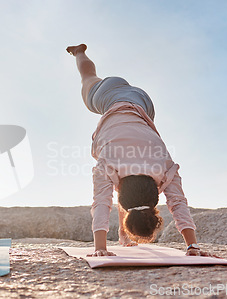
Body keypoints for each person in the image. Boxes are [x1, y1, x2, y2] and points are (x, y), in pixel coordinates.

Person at [66, 43, 214, 257]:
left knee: (127, 180)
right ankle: (79, 52)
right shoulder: (109, 165)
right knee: (88, 77)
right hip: (109, 98)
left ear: (155, 209)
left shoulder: (164, 169)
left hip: (144, 104)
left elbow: (178, 202)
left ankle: (124, 237)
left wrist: (193, 246)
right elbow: (102, 201)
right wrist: (99, 248)